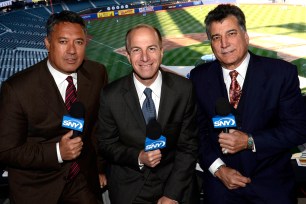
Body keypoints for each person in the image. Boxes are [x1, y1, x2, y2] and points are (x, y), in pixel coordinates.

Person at [190, 4, 306, 204]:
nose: (224, 43)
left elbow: (297, 129)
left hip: (271, 188)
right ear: (211, 43)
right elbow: (197, 133)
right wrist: (218, 169)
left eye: (231, 33)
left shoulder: (281, 74)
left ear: (245, 35)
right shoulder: (199, 78)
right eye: (216, 37)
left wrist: (250, 141)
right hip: (221, 189)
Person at [0, 10, 108, 204]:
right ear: (48, 44)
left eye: (79, 42)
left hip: (82, 181)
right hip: (37, 189)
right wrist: (57, 152)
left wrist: (100, 168)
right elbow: (6, 150)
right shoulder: (17, 89)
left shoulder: (97, 73)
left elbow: (97, 127)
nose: (72, 51)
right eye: (63, 41)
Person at [95, 24, 199, 204]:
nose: (145, 57)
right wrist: (138, 156)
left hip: (176, 186)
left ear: (161, 51)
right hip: (130, 190)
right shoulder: (110, 95)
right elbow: (106, 144)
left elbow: (188, 147)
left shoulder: (184, 89)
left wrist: (172, 194)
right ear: (127, 55)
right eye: (136, 50)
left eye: (151, 48)